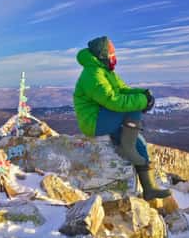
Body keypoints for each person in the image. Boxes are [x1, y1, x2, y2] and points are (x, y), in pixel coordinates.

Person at [73, 36, 171, 200]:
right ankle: (126, 148)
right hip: (94, 122)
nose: (114, 56)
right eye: (112, 53)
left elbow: (123, 90)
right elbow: (114, 101)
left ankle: (150, 188)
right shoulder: (92, 74)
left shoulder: (105, 71)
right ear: (103, 54)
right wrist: (142, 101)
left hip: (105, 117)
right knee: (133, 108)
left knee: (139, 143)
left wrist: (143, 93)